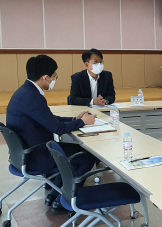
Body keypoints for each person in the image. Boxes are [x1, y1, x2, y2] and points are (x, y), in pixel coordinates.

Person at [6, 55, 98, 214]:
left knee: (71, 153)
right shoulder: (33, 97)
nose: (55, 80)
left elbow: (47, 119)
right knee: (87, 156)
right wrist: (84, 122)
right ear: (45, 78)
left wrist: (74, 119)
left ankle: (54, 195)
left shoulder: (24, 92)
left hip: (25, 152)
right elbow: (58, 128)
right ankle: (67, 201)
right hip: (36, 156)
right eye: (54, 76)